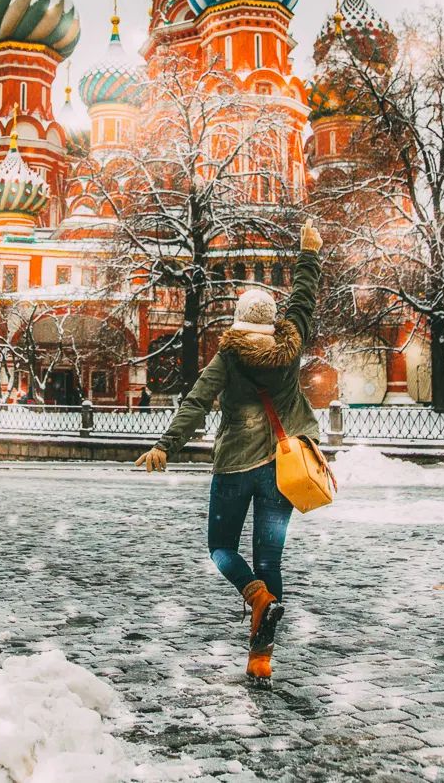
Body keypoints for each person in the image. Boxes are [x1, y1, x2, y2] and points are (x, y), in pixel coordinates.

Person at [136, 219, 324, 690]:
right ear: (272, 320)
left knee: (220, 547)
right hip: (284, 469)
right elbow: (304, 297)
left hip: (236, 467)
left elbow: (197, 401)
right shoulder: (291, 344)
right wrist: (308, 253)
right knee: (269, 558)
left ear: (239, 320)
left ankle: (254, 596)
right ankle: (261, 656)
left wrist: (165, 446)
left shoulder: (228, 357)